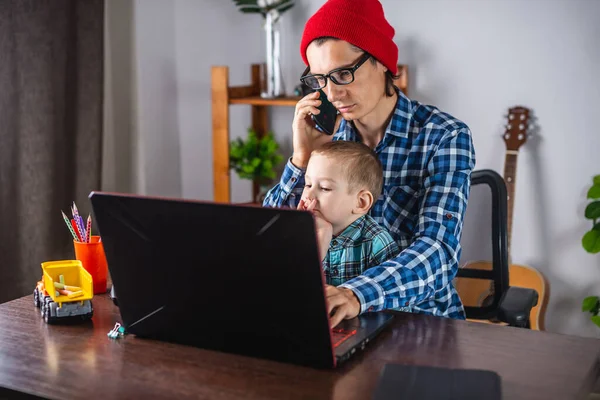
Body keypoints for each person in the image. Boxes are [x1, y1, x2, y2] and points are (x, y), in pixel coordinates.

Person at [263, 0, 476, 328]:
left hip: (419, 322)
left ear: (382, 63)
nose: (332, 93)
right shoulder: (326, 140)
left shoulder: (444, 136)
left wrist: (355, 295)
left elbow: (438, 253)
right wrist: (301, 159)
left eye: (343, 74)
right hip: (335, 320)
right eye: (320, 79)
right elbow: (272, 235)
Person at [296, 141, 400, 287]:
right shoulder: (298, 233)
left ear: (361, 202)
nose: (309, 195)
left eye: (325, 188)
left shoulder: (376, 244)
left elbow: (390, 300)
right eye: (308, 185)